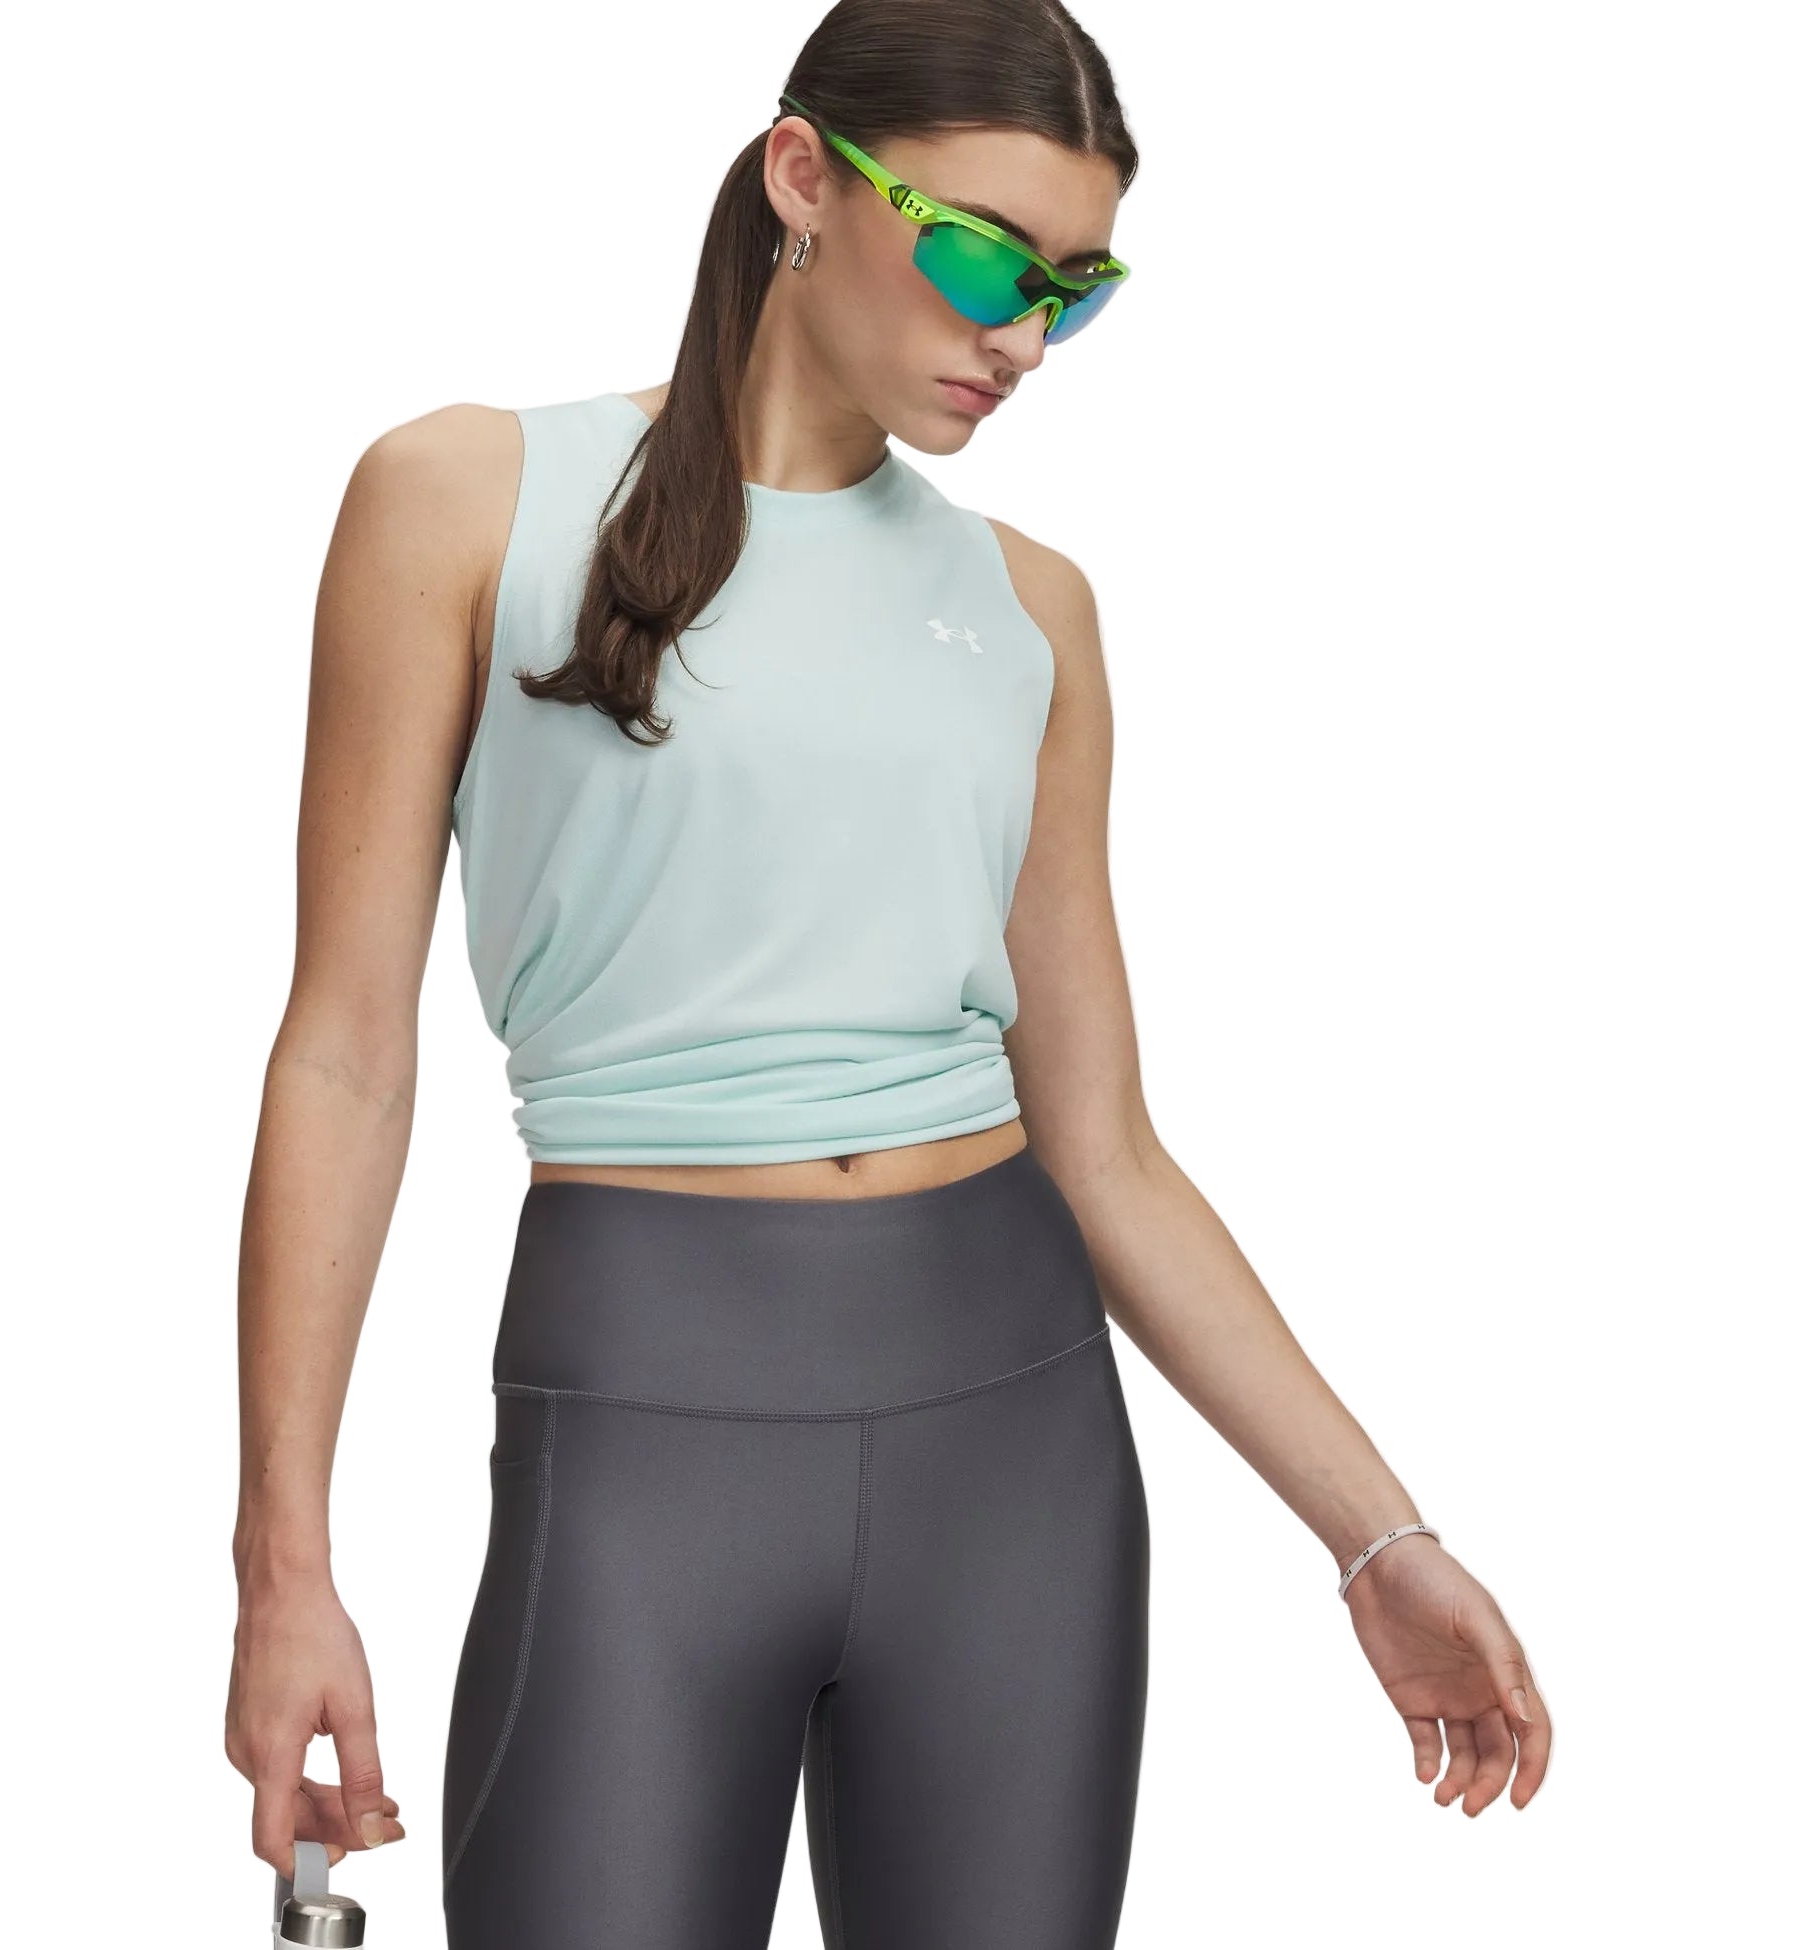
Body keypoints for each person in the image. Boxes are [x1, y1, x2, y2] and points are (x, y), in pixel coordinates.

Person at [226, 4, 1553, 1944]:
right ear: (803, 179)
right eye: (987, 259)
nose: (1024, 338)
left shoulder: (1032, 613)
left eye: (1074, 290)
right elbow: (344, 1057)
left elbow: (1107, 1151)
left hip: (1012, 1444)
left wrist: (1381, 1536)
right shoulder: (461, 500)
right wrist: (283, 1566)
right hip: (644, 1412)